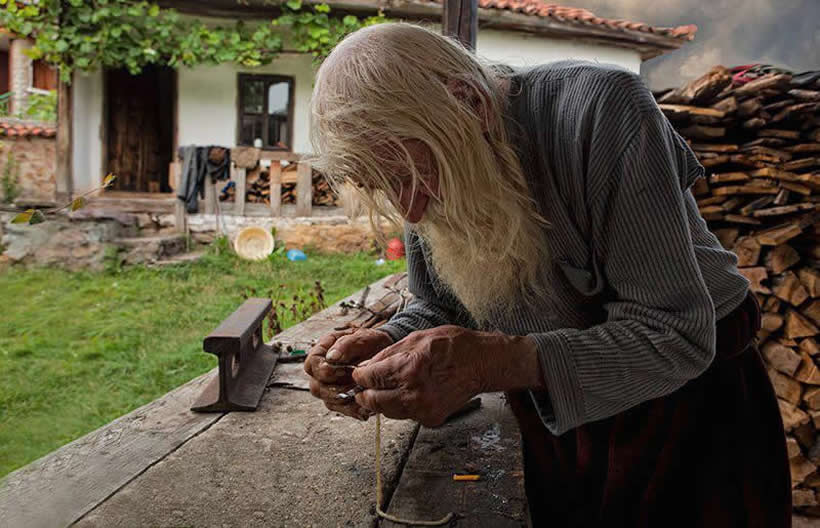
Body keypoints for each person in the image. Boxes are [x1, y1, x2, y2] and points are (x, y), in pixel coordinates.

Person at [303, 22, 791, 527]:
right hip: (557, 408)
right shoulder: (427, 150)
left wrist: (492, 364)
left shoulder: (601, 111)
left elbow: (676, 334)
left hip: (690, 404)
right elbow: (439, 306)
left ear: (470, 105)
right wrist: (385, 341)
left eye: (411, 176)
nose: (410, 208)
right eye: (385, 185)